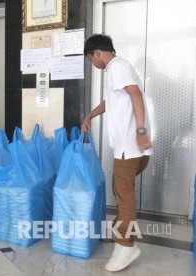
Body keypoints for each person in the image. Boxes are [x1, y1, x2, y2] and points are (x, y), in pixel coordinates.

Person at [81, 34, 153, 272]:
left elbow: (135, 94)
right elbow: (110, 101)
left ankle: (126, 246)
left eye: (91, 59)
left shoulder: (117, 67)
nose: (93, 63)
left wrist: (141, 130)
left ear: (98, 53)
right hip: (132, 147)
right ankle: (121, 229)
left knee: (124, 196)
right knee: (120, 188)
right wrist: (90, 115)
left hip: (129, 147)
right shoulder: (117, 69)